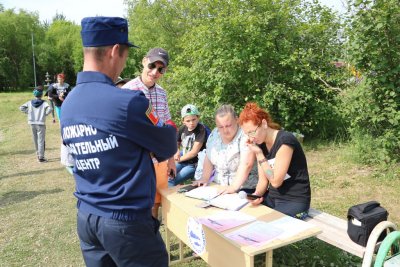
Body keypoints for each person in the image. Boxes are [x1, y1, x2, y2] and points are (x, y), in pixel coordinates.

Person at [60, 17, 176, 267]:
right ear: (115, 51)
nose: (124, 62)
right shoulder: (128, 102)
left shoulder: (68, 104)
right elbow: (167, 145)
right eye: (124, 54)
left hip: (88, 217)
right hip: (126, 223)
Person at [122, 47, 177, 219]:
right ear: (144, 61)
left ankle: (153, 232)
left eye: (161, 69)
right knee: (139, 202)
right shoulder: (127, 90)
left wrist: (171, 158)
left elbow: (168, 127)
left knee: (157, 201)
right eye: (152, 65)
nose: (155, 72)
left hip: (159, 159)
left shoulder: (162, 93)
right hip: (137, 160)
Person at [238, 102, 311, 218]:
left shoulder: (285, 141)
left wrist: (260, 155)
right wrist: (256, 195)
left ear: (264, 123)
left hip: (294, 200)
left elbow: (276, 182)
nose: (251, 138)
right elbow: (263, 181)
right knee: (243, 216)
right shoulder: (260, 144)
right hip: (273, 198)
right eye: (247, 134)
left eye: (252, 132)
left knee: (267, 225)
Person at [195, 104, 258, 194]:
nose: (225, 130)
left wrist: (233, 187)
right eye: (220, 127)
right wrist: (204, 178)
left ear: (236, 120)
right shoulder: (214, 134)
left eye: (228, 126)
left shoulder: (245, 134)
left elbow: (246, 164)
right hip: (218, 186)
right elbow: (209, 157)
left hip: (243, 189)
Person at [169, 104, 207, 187]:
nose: (191, 123)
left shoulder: (201, 129)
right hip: (183, 160)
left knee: (172, 181)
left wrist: (178, 160)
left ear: (198, 118)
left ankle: (170, 198)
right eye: (188, 121)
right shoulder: (183, 128)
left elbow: (194, 152)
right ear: (183, 121)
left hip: (193, 165)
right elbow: (176, 142)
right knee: (168, 175)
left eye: (194, 119)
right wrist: (177, 151)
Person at [19, 87, 53, 162]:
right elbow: (50, 109)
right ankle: (41, 158)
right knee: (41, 140)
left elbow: (21, 108)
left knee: (35, 140)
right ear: (41, 95)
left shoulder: (29, 102)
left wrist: (29, 112)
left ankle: (38, 154)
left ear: (34, 95)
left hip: (32, 123)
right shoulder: (44, 103)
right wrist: (45, 114)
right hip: (40, 123)